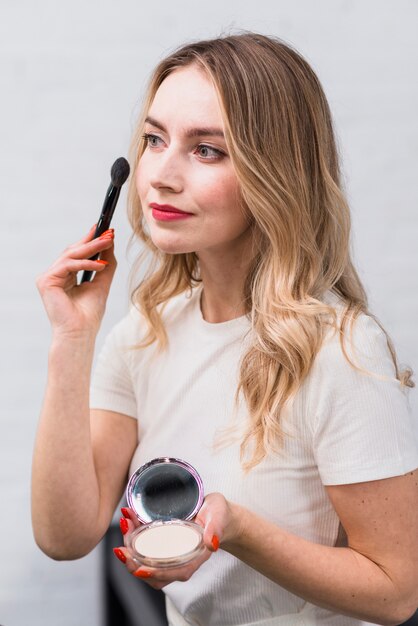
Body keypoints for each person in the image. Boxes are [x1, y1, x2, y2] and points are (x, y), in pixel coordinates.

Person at [32, 33, 418, 626]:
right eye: (154, 140)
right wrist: (71, 339)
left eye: (206, 150)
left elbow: (396, 592)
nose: (160, 174)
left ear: (276, 174)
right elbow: (65, 536)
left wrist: (236, 530)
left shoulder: (341, 351)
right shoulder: (145, 336)